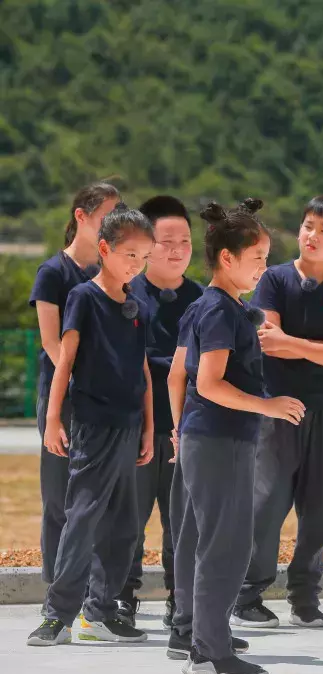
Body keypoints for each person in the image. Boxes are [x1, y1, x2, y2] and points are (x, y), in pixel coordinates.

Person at [167, 198, 305, 674]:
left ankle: (201, 638)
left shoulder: (218, 307)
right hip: (220, 439)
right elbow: (208, 383)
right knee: (224, 546)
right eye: (258, 259)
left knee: (211, 542)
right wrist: (268, 405)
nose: (264, 268)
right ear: (227, 258)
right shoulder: (220, 311)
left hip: (214, 439)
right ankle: (209, 653)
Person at [26, 204, 156, 646]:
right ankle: (56, 615)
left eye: (144, 257)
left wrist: (149, 427)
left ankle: (97, 614)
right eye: (130, 255)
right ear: (105, 249)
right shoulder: (84, 297)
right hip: (93, 425)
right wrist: (52, 419)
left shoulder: (137, 306)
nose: (137, 265)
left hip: (129, 426)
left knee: (124, 526)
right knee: (81, 518)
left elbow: (142, 371)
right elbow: (64, 362)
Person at [232, 194, 323, 629]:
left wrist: (295, 344)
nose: (312, 235)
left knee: (320, 508)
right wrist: (312, 348)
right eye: (308, 226)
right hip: (278, 406)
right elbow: (268, 339)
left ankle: (305, 596)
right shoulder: (273, 280)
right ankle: (248, 596)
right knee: (267, 502)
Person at [114, 196, 204, 628]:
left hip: (188, 431)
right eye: (166, 240)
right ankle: (122, 598)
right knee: (128, 520)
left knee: (182, 523)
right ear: (147, 244)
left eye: (184, 241)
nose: (176, 249)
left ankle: (179, 600)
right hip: (136, 429)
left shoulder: (204, 299)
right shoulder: (125, 293)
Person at [28, 181, 118, 609]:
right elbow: (51, 341)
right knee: (60, 496)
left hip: (104, 400)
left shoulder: (112, 272)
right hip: (64, 397)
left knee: (96, 497)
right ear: (81, 217)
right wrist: (78, 379)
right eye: (106, 217)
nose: (112, 227)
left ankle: (97, 594)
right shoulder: (53, 272)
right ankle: (58, 590)